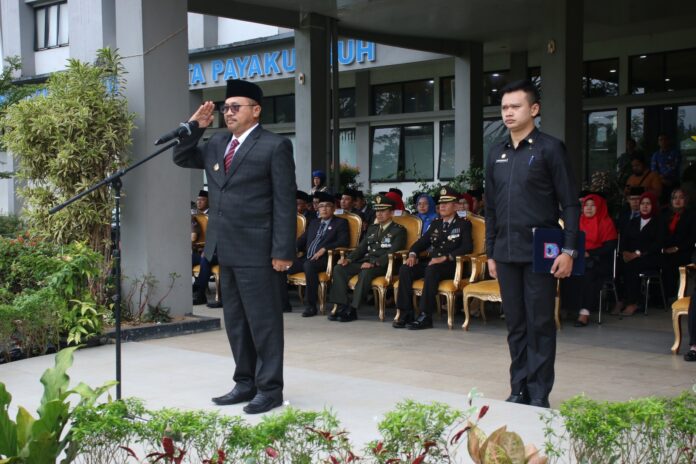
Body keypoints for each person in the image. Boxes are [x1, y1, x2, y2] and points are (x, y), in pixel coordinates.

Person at [173, 79, 296, 415]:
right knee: (237, 322)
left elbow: (285, 202)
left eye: (235, 107)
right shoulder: (217, 143)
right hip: (225, 247)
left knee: (264, 322)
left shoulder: (275, 146)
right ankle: (245, 382)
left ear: (255, 111)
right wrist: (195, 126)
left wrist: (283, 250)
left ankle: (269, 388)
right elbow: (182, 157)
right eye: (226, 108)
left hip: (259, 250)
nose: (228, 112)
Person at [485, 79, 579, 408]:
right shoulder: (496, 152)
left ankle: (539, 393)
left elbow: (570, 203)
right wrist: (491, 252)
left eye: (516, 107)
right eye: (504, 108)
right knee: (515, 324)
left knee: (540, 323)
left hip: (542, 252)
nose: (508, 113)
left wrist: (569, 250)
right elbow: (492, 208)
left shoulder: (550, 148)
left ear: (534, 109)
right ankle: (518, 387)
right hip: (506, 251)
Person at [393, 187, 473, 329]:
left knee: (431, 269)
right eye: (441, 203)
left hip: (451, 265)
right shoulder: (436, 223)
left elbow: (467, 247)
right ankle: (406, 313)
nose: (442, 206)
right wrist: (412, 254)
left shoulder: (464, 224)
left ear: (455, 206)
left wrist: (445, 257)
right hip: (432, 262)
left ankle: (425, 315)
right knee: (405, 268)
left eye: (446, 203)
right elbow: (421, 243)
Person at [327, 194, 406, 322]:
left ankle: (353, 309)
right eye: (377, 211)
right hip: (366, 261)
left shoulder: (399, 230)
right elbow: (361, 248)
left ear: (391, 213)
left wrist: (374, 263)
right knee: (339, 268)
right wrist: (349, 259)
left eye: (383, 211)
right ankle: (342, 305)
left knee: (365, 272)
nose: (379, 214)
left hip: (384, 265)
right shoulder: (373, 228)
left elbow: (393, 252)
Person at [281, 191, 350, 317]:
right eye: (321, 206)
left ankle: (310, 306)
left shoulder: (340, 223)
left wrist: (325, 248)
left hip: (325, 259)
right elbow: (302, 240)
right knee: (281, 266)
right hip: (307, 257)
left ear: (334, 208)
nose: (324, 209)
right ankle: (284, 303)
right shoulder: (314, 222)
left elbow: (344, 241)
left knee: (309, 266)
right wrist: (291, 249)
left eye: (328, 206)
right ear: (317, 208)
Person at [561, 194, 618, 327]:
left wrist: (590, 253)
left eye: (593, 205)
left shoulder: (605, 222)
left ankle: (584, 313)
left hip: (598, 261)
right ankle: (567, 308)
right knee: (565, 272)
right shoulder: (578, 221)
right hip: (578, 259)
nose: (589, 208)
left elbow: (610, 247)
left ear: (599, 207)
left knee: (588, 275)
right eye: (586, 205)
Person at [615, 191, 664, 317]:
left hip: (649, 257)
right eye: (643, 203)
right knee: (616, 266)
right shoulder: (634, 221)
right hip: (631, 256)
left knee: (632, 267)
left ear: (653, 205)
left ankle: (634, 302)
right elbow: (625, 240)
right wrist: (625, 252)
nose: (645, 206)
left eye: (648, 203)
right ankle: (620, 299)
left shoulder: (659, 222)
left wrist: (637, 254)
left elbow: (658, 244)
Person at [660, 188, 695, 299]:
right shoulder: (665, 215)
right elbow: (660, 235)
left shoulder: (691, 216)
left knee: (673, 263)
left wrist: (677, 248)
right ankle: (660, 296)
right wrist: (663, 248)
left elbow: (692, 238)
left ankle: (671, 295)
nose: (677, 200)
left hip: (683, 250)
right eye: (675, 198)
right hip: (666, 250)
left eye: (681, 197)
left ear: (686, 200)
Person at [650, 134, 681, 202]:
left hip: (673, 182)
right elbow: (653, 170)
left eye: (665, 139)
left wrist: (664, 176)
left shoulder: (675, 153)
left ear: (668, 141)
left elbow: (675, 167)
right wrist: (662, 179)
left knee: (674, 202)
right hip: (659, 183)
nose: (663, 141)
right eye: (661, 140)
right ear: (658, 142)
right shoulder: (655, 155)